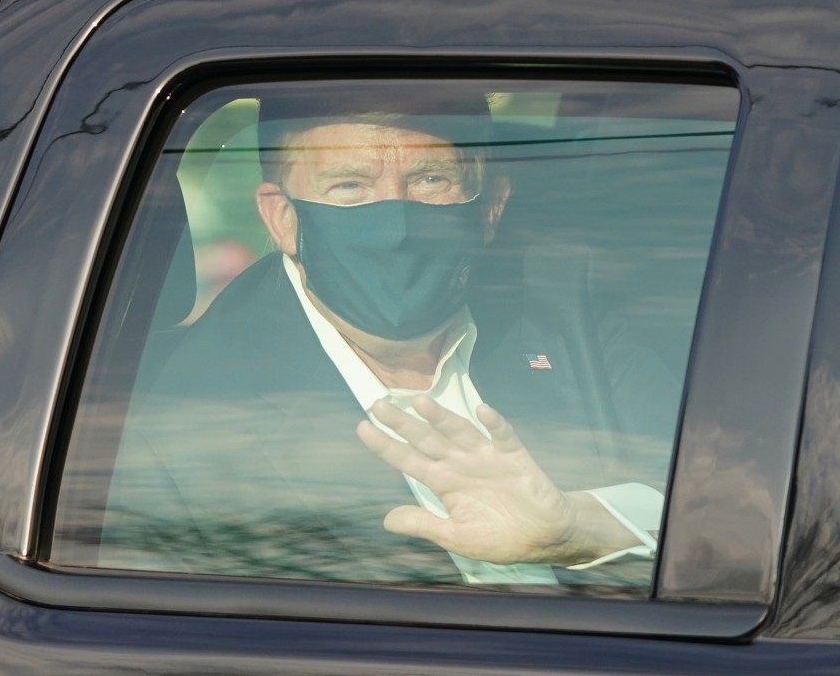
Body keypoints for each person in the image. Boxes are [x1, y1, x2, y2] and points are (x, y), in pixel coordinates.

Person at [98, 86, 672, 584]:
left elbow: (725, 504)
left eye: (429, 179)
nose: (395, 223)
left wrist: (579, 529)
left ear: (491, 206)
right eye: (350, 186)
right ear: (283, 218)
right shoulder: (187, 411)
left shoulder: (563, 311)